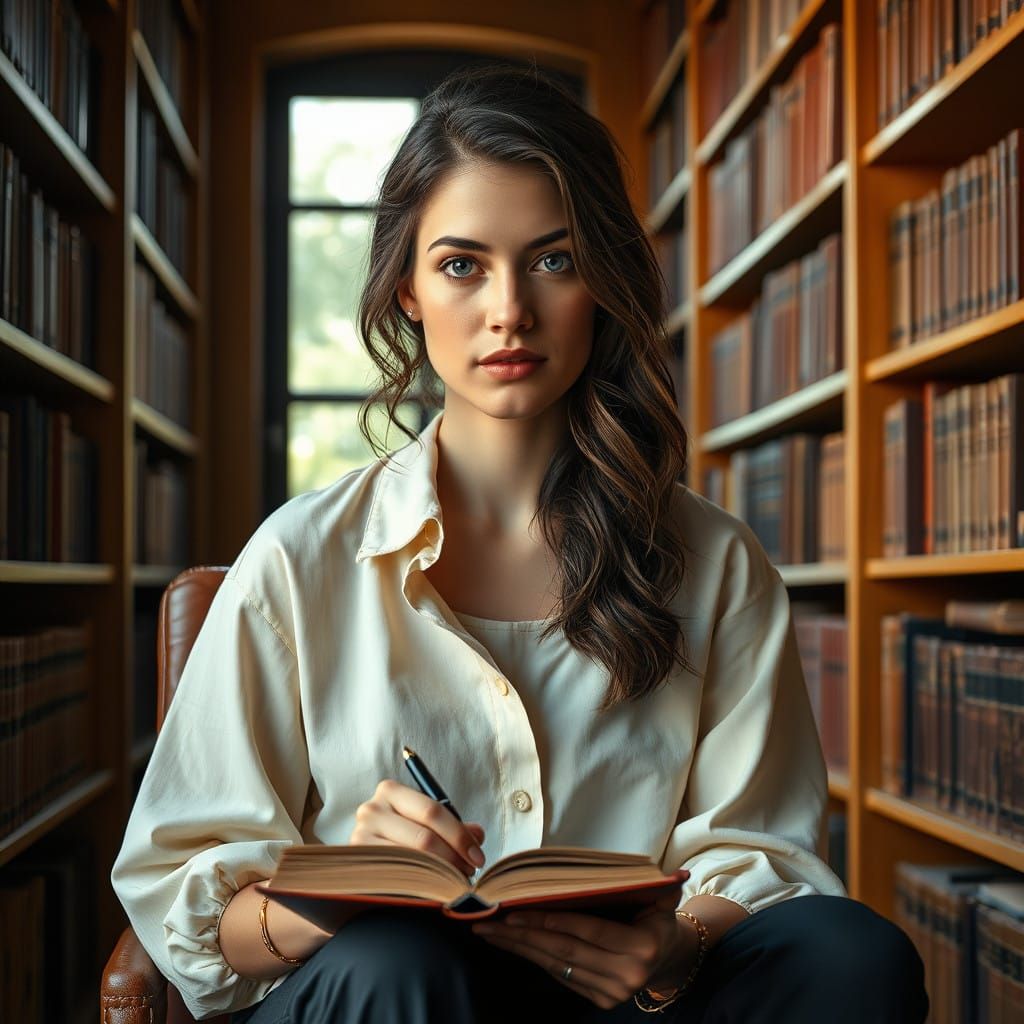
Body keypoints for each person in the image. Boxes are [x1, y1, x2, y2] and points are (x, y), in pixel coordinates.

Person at [110, 62, 929, 1023]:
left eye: (553, 259)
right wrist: (340, 890)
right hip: (388, 996)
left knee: (852, 956)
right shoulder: (301, 558)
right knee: (398, 961)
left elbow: (764, 855)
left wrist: (674, 946)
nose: (509, 311)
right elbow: (185, 897)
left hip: (629, 1008)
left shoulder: (714, 562)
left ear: (602, 279)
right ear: (408, 290)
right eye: (462, 265)